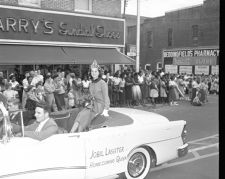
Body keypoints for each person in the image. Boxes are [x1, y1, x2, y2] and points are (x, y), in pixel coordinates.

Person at [70, 60, 110, 133]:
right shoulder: (91, 83)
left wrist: (106, 109)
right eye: (92, 71)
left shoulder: (102, 83)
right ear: (90, 72)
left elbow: (106, 97)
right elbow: (90, 96)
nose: (93, 73)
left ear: (99, 73)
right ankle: (71, 133)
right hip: (92, 105)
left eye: (95, 71)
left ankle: (77, 133)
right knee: (80, 114)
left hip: (100, 106)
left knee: (85, 116)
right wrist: (85, 100)